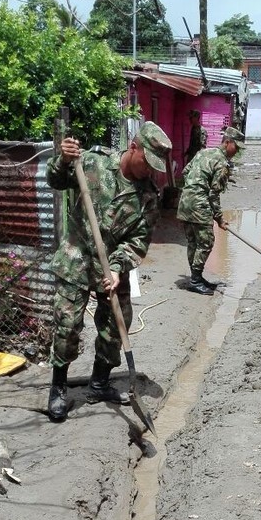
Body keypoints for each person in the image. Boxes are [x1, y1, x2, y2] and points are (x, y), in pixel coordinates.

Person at [46, 121, 172, 422]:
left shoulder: (148, 198)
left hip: (110, 265)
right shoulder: (92, 162)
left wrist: (117, 268)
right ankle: (58, 388)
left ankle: (100, 384)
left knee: (118, 323)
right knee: (67, 324)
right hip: (76, 258)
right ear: (133, 147)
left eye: (156, 167)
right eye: (147, 162)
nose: (149, 171)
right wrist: (62, 160)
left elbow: (138, 241)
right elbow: (56, 180)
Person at [176, 126, 245, 295]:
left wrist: (192, 189)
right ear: (227, 142)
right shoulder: (222, 163)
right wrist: (220, 218)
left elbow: (185, 173)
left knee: (193, 241)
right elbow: (214, 194)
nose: (237, 152)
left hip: (185, 202)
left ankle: (196, 278)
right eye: (236, 147)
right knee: (206, 242)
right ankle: (195, 280)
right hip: (200, 205)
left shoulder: (203, 153)